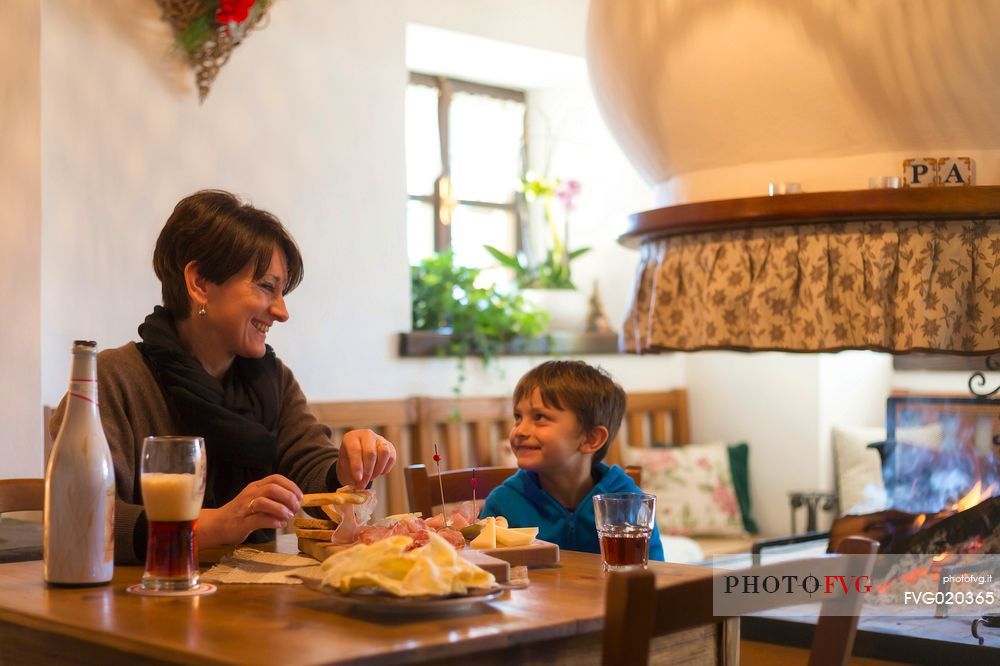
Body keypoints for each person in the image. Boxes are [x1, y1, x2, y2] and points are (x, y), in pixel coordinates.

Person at [50, 190, 397, 564]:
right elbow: (84, 514)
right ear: (199, 283)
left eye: (283, 292)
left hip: (255, 605)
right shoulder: (114, 378)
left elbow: (310, 471)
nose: (281, 312)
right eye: (266, 286)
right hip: (141, 604)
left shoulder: (271, 381)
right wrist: (218, 524)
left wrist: (345, 469)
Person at [479, 360, 664, 560]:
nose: (520, 430)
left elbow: (654, 576)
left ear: (591, 439)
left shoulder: (628, 504)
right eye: (518, 417)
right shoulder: (503, 505)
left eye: (539, 417)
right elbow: (487, 575)